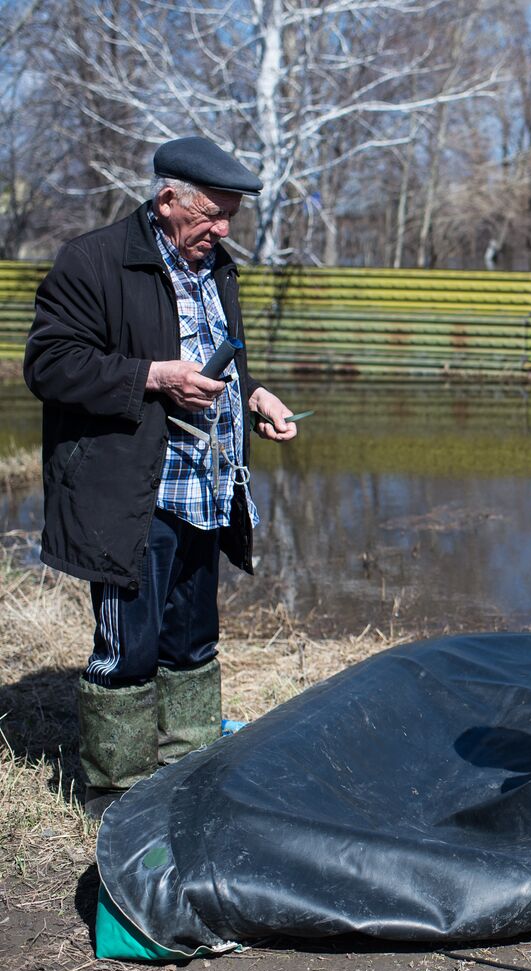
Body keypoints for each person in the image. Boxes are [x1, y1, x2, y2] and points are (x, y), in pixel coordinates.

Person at [24, 136, 298, 817]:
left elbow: (216, 359)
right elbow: (50, 365)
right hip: (130, 493)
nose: (223, 229)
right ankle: (116, 792)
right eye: (212, 213)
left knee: (193, 637)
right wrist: (152, 376)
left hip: (204, 487)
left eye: (232, 214)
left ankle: (190, 769)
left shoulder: (216, 266)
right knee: (129, 647)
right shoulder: (94, 261)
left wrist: (254, 393)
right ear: (167, 198)